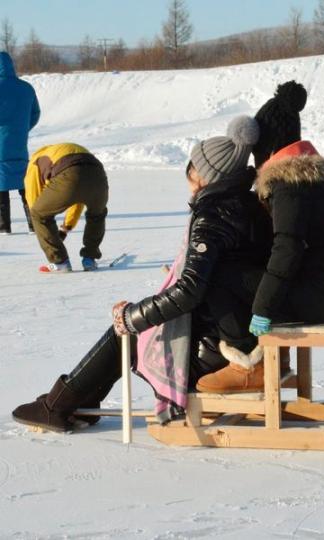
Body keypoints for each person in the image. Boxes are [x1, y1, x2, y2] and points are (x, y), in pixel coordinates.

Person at [11, 116, 273, 432]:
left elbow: (190, 290)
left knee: (127, 328)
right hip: (240, 330)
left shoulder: (213, 215)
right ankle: (74, 403)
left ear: (201, 176)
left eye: (190, 171)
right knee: (135, 322)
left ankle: (58, 405)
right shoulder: (248, 205)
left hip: (217, 352)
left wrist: (133, 317)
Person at [195, 80, 324, 393]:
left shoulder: (288, 185)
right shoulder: (317, 179)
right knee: (252, 276)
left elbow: (288, 249)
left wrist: (263, 310)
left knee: (219, 274)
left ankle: (248, 364)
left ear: (268, 150)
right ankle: (270, 360)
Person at [23, 143, 109, 272]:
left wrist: (44, 228)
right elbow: (79, 197)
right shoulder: (58, 150)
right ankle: (89, 260)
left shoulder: (34, 163)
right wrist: (66, 227)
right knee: (97, 215)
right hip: (98, 176)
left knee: (38, 214)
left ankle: (60, 261)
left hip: (69, 175)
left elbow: (34, 201)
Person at [0, 51, 39, 234]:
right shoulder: (26, 88)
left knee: (1, 183)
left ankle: (3, 226)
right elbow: (35, 114)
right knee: (24, 183)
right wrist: (22, 129)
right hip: (19, 141)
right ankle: (33, 224)